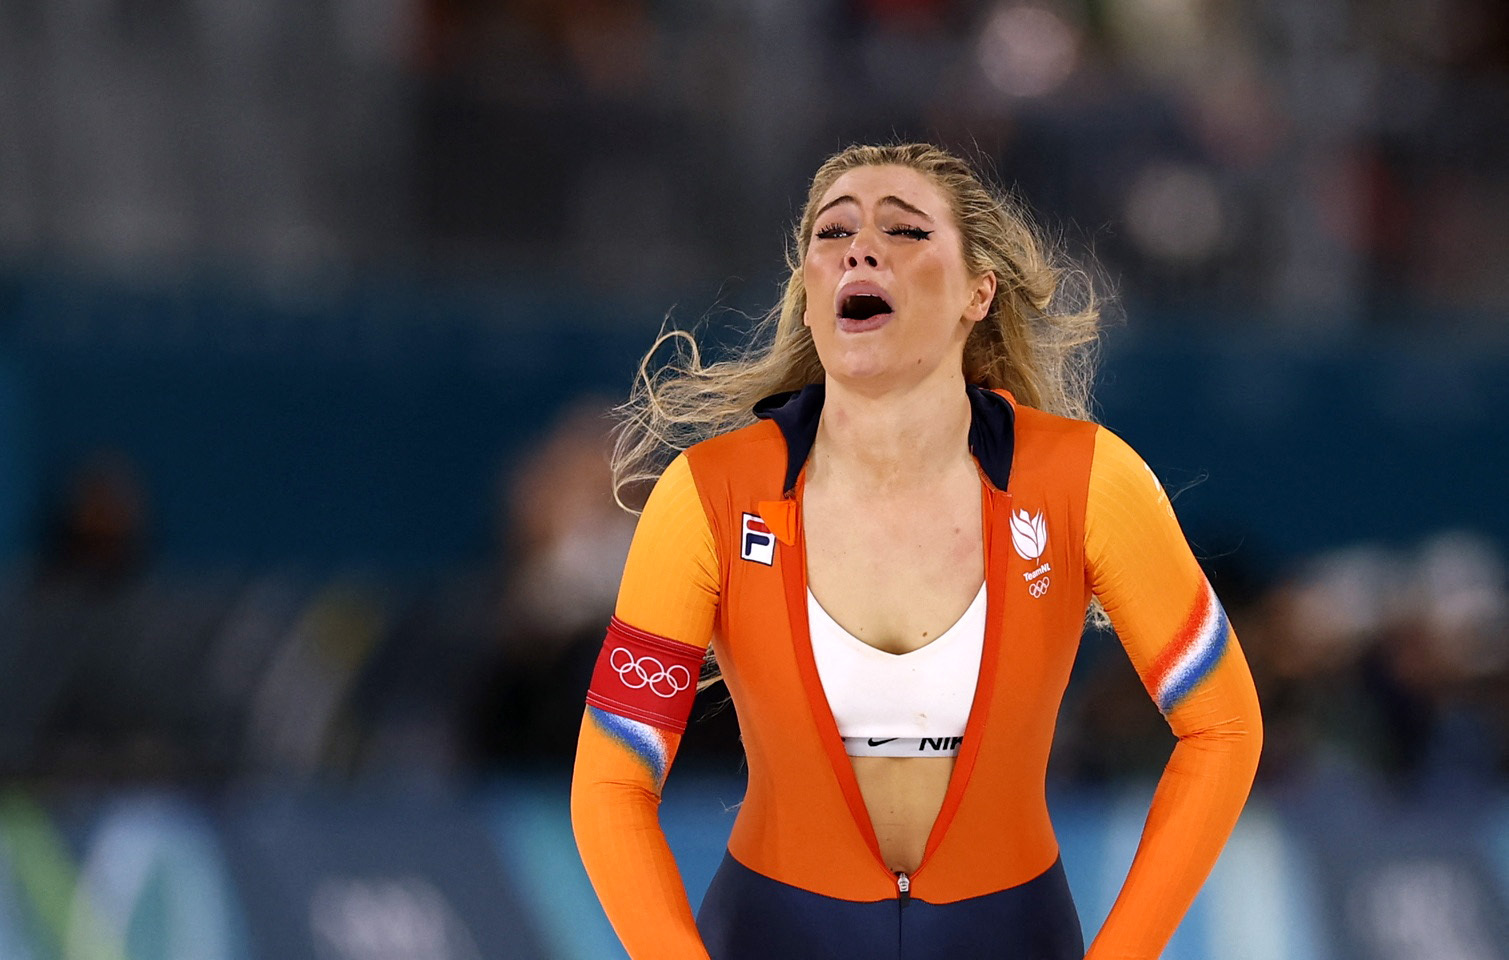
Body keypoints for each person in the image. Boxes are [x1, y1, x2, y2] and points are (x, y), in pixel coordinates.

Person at [570, 142, 1262, 959]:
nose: (860, 248)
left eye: (903, 230)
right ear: (808, 296)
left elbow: (1223, 728)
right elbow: (611, 779)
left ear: (978, 291)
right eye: (832, 233)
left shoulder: (1088, 482)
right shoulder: (708, 495)